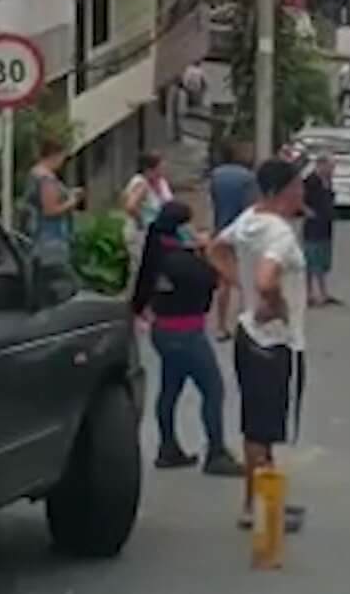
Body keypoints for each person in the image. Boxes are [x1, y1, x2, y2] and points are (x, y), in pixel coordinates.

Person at [210, 158, 309, 533]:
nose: (302, 192)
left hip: (248, 336)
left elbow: (216, 247)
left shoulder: (250, 219)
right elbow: (268, 278)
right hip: (274, 340)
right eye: (297, 186)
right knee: (262, 429)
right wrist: (273, 305)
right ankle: (255, 506)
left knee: (258, 427)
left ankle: (265, 500)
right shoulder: (279, 233)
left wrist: (240, 286)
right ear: (282, 191)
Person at [129, 201, 246, 477]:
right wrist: (206, 250)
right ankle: (215, 453)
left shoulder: (157, 255)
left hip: (164, 331)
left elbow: (141, 294)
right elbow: (213, 282)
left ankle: (168, 447)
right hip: (187, 333)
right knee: (213, 389)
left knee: (171, 388)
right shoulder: (184, 262)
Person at [207, 139, 258, 339]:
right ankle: (243, 324)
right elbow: (251, 207)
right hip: (241, 233)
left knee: (223, 282)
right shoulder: (247, 178)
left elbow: (212, 201)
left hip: (220, 229)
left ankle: (220, 326)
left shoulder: (216, 176)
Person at [24, 135, 84, 261]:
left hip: (37, 234)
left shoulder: (35, 173)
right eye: (62, 157)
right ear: (54, 155)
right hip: (50, 238)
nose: (62, 162)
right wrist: (72, 201)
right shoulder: (46, 178)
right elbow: (50, 210)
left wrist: (68, 193)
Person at [122, 151, 175, 270]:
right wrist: (141, 222)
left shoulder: (160, 182)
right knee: (141, 268)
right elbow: (130, 206)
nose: (162, 171)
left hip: (157, 233)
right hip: (141, 234)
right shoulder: (141, 184)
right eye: (159, 168)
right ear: (149, 169)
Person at [301, 152, 338, 307]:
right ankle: (310, 293)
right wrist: (306, 211)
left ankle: (323, 292)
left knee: (323, 260)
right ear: (320, 165)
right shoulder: (311, 181)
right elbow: (300, 197)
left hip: (326, 224)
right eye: (330, 166)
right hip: (313, 226)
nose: (332, 170)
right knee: (311, 260)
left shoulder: (327, 181)